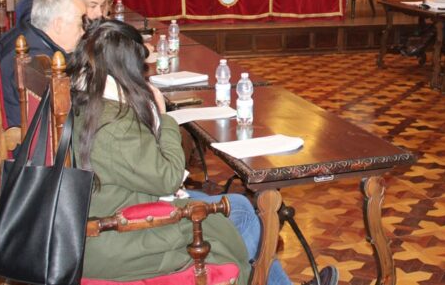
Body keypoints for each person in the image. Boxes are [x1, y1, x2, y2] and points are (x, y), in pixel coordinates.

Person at [69, 21, 339, 285]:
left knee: (241, 208)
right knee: (242, 214)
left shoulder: (89, 101)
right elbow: (169, 178)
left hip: (118, 214)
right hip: (120, 239)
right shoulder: (113, 123)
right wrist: (164, 117)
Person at [0, 0, 86, 128]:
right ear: (58, 25)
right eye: (80, 25)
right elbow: (65, 116)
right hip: (30, 136)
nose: (83, 32)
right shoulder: (39, 61)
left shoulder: (25, 36)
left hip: (22, 127)